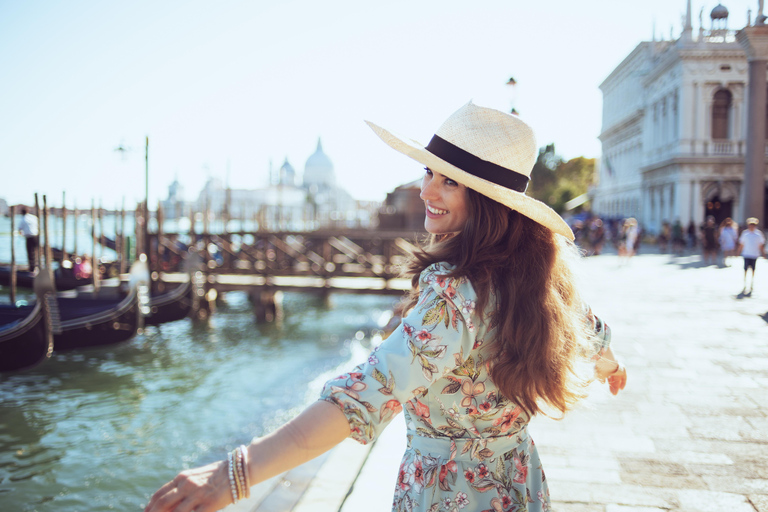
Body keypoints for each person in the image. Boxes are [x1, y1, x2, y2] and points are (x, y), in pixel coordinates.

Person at [145, 102, 627, 512]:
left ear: (486, 200)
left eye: (449, 183)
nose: (426, 190)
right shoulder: (541, 275)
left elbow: (363, 393)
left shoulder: (456, 297)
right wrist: (611, 366)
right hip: (519, 484)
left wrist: (234, 475)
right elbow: (590, 330)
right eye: (429, 172)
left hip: (446, 494)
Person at [737, 217, 766, 295]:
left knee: (753, 269)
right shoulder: (745, 233)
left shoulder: (758, 234)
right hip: (746, 254)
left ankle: (752, 283)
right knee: (745, 269)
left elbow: (761, 245)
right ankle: (745, 283)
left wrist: (763, 254)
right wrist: (738, 252)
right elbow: (741, 244)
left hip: (754, 254)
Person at [17, 206, 39, 272]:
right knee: (37, 251)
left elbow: (19, 229)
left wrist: (21, 235)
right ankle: (37, 266)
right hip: (36, 236)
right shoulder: (33, 217)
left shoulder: (23, 219)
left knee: (30, 253)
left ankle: (32, 268)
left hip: (29, 237)